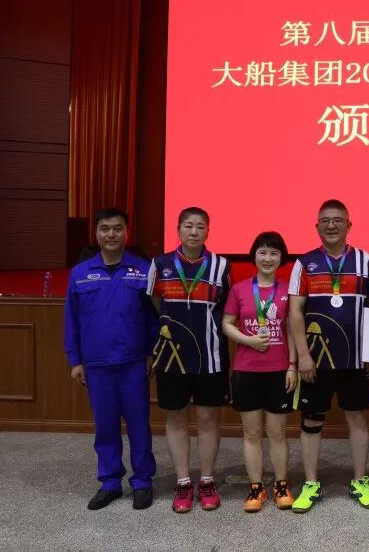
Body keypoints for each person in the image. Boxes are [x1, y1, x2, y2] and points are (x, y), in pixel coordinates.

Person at [287, 200, 369, 513]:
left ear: (349, 225)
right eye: (325, 220)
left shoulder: (365, 261)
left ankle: (359, 481)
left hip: (356, 359)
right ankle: (311, 483)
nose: (331, 225)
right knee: (312, 419)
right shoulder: (304, 263)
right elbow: (295, 312)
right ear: (317, 226)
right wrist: (303, 355)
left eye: (338, 220)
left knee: (357, 418)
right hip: (315, 361)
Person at [64, 207, 157, 510]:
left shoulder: (143, 270)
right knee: (105, 426)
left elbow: (153, 318)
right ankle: (110, 481)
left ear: (127, 233)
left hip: (133, 362)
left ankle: (142, 481)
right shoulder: (80, 273)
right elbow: (71, 320)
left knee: (139, 426)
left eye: (117, 228)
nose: (111, 234)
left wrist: (151, 352)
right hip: (97, 364)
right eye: (105, 229)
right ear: (96, 233)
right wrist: (75, 361)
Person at [148, 207, 231, 513]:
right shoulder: (160, 264)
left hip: (210, 356)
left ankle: (207, 481)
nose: (194, 232)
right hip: (172, 356)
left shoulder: (221, 265)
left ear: (208, 231)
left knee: (208, 418)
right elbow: (155, 301)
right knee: (176, 417)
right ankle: (183, 483)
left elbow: (225, 308)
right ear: (178, 229)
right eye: (188, 226)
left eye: (200, 227)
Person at [222, 232, 296, 512]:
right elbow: (227, 323)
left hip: (279, 370)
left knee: (278, 433)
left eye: (274, 253)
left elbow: (292, 329)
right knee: (251, 433)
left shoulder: (289, 290)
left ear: (281, 258)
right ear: (254, 256)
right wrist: (248, 340)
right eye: (262, 252)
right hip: (247, 369)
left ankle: (281, 485)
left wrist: (292, 365)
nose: (268, 258)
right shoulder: (239, 289)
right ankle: (256, 487)